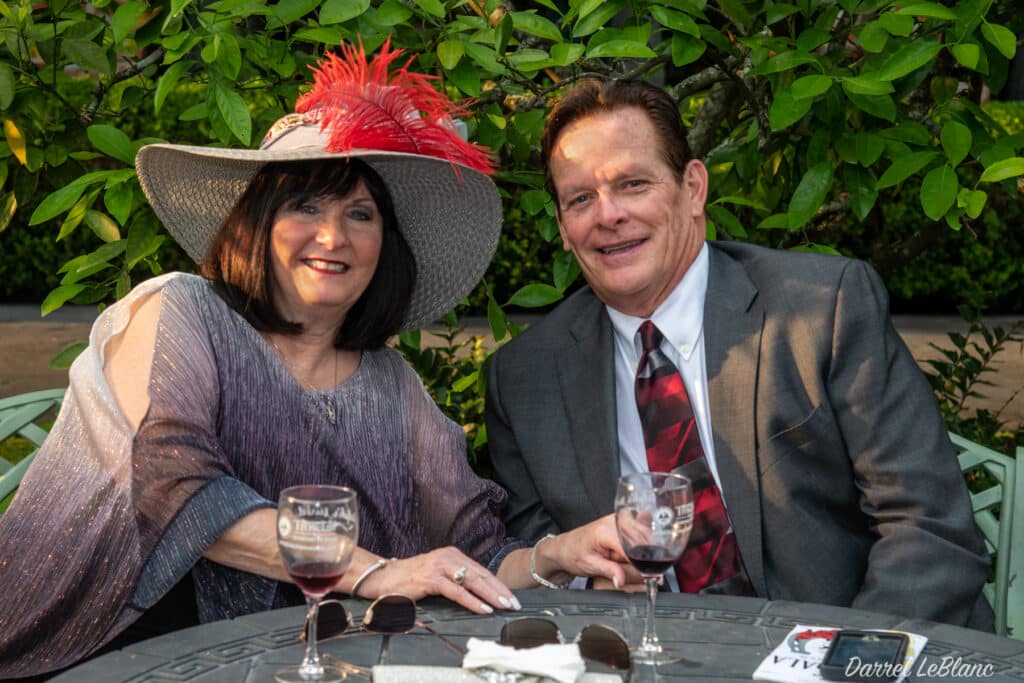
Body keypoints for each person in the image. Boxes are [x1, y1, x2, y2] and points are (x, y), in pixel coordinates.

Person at [0, 42, 627, 678]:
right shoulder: (180, 310)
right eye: (305, 206)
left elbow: (477, 552)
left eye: (360, 213)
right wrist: (375, 573)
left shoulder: (392, 387)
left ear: (385, 245)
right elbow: (176, 486)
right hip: (82, 656)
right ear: (258, 222)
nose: (333, 236)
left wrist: (558, 554)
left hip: (267, 666)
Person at [485, 76, 995, 629]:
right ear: (563, 226)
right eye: (581, 198)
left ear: (693, 188)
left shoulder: (821, 311)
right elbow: (540, 565)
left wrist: (837, 661)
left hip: (853, 643)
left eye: (633, 184)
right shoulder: (525, 379)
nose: (608, 215)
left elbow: (927, 526)